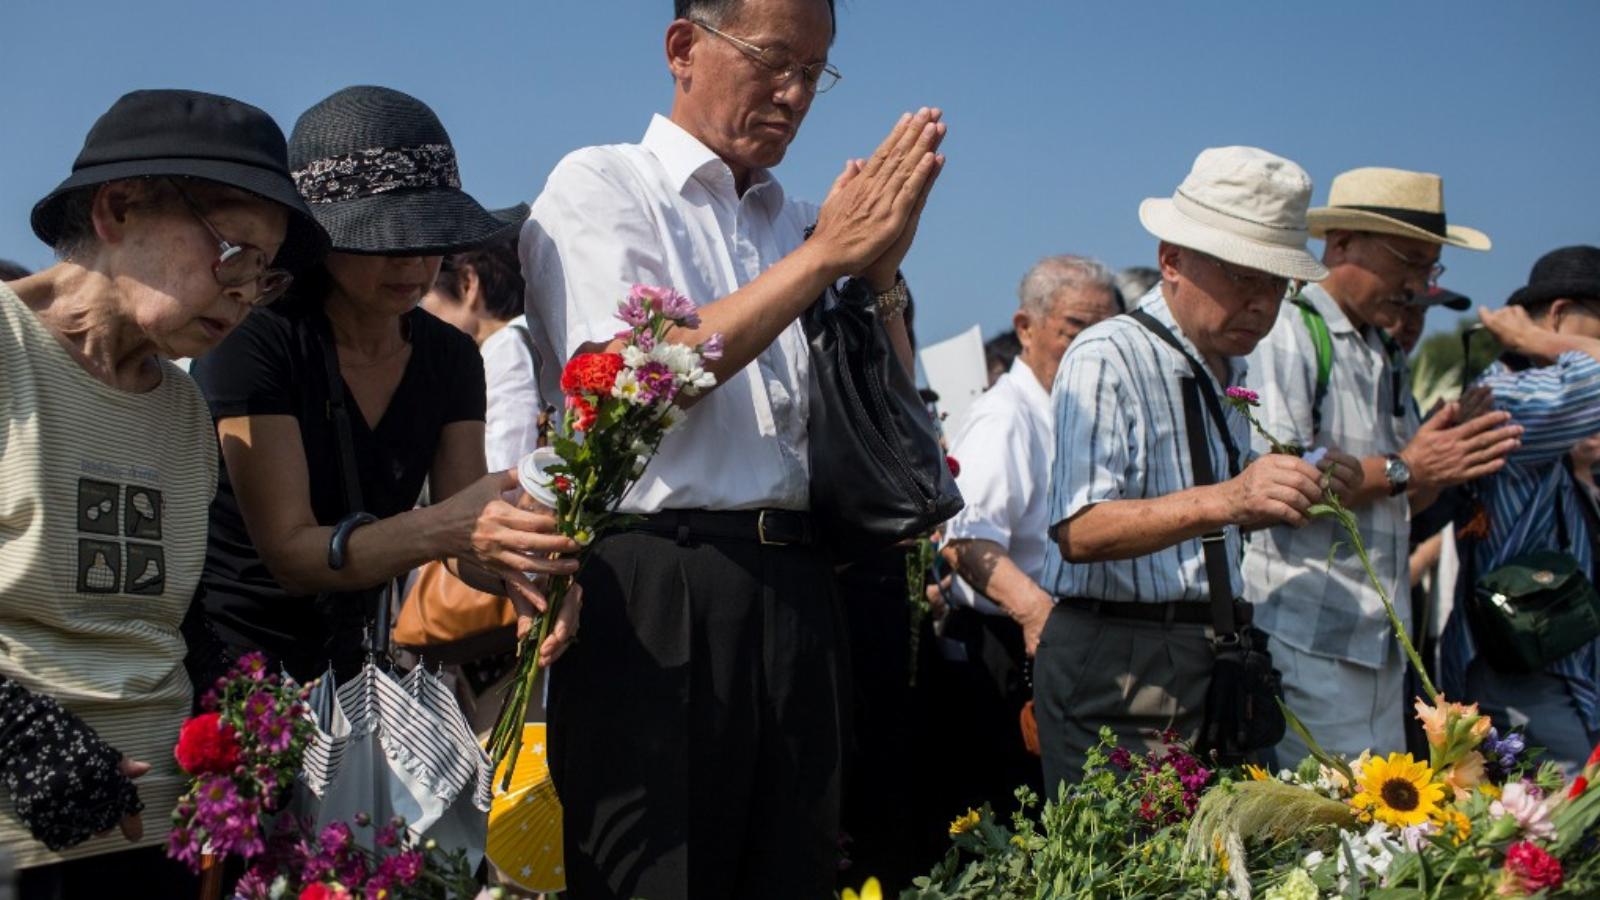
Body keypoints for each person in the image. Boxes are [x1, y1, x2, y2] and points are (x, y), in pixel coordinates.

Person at [519, 0, 945, 893]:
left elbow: (891, 411)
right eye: (773, 61)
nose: (793, 95)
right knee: (657, 873)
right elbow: (628, 378)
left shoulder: (799, 221)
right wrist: (825, 259)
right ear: (684, 48)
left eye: (815, 74)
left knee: (790, 869)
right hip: (658, 583)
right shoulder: (603, 184)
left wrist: (880, 281)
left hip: (798, 582)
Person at [1, 89, 326, 897]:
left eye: (266, 274)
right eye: (233, 257)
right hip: (20, 835)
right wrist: (17, 735)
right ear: (118, 209)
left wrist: (248, 710)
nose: (248, 293)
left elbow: (169, 610)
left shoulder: (183, 407)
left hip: (160, 836)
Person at [188, 86, 579, 686]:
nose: (412, 263)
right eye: (385, 241)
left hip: (356, 668)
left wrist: (523, 577)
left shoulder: (449, 356)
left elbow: (464, 537)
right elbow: (291, 553)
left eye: (429, 240)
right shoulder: (256, 340)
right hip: (236, 666)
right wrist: (448, 527)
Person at [1034, 146, 1360, 789]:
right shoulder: (1108, 352)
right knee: (1130, 876)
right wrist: (1233, 498)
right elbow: (1079, 531)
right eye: (1245, 276)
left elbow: (1209, 511)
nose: (1263, 304)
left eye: (1277, 283)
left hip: (1210, 656)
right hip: (1121, 663)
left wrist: (1289, 490)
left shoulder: (1226, 367)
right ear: (1172, 259)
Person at [1241, 167, 1520, 760]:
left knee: (1380, 832)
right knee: (1320, 836)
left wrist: (1448, 457)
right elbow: (1282, 483)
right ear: (1339, 244)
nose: (1417, 284)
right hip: (1304, 636)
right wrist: (1409, 467)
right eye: (1408, 262)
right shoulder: (1290, 329)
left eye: (1430, 268)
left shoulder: (1383, 349)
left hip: (1376, 640)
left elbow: (1401, 491)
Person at [939, 254, 1117, 813]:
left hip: (1063, 646)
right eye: (1077, 329)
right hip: (1008, 651)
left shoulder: (1075, 414)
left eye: (1107, 331)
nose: (1094, 347)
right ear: (1026, 328)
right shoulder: (1006, 416)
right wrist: (1039, 616)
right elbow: (964, 539)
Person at [1441, 245, 1600, 771]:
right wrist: (1540, 342)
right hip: (1528, 672)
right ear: (1559, 314)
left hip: (1552, 661)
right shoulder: (1509, 399)